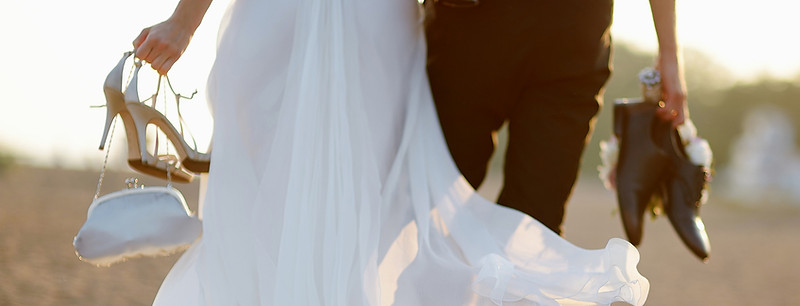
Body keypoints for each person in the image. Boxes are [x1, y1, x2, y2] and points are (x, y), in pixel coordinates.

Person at [132, 0, 651, 305]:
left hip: (382, 22)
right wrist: (185, 21)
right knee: (276, 180)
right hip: (303, 16)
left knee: (382, 202)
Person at [425, 0, 690, 235]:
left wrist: (669, 51)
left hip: (574, 43)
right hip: (470, 25)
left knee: (532, 226)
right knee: (430, 204)